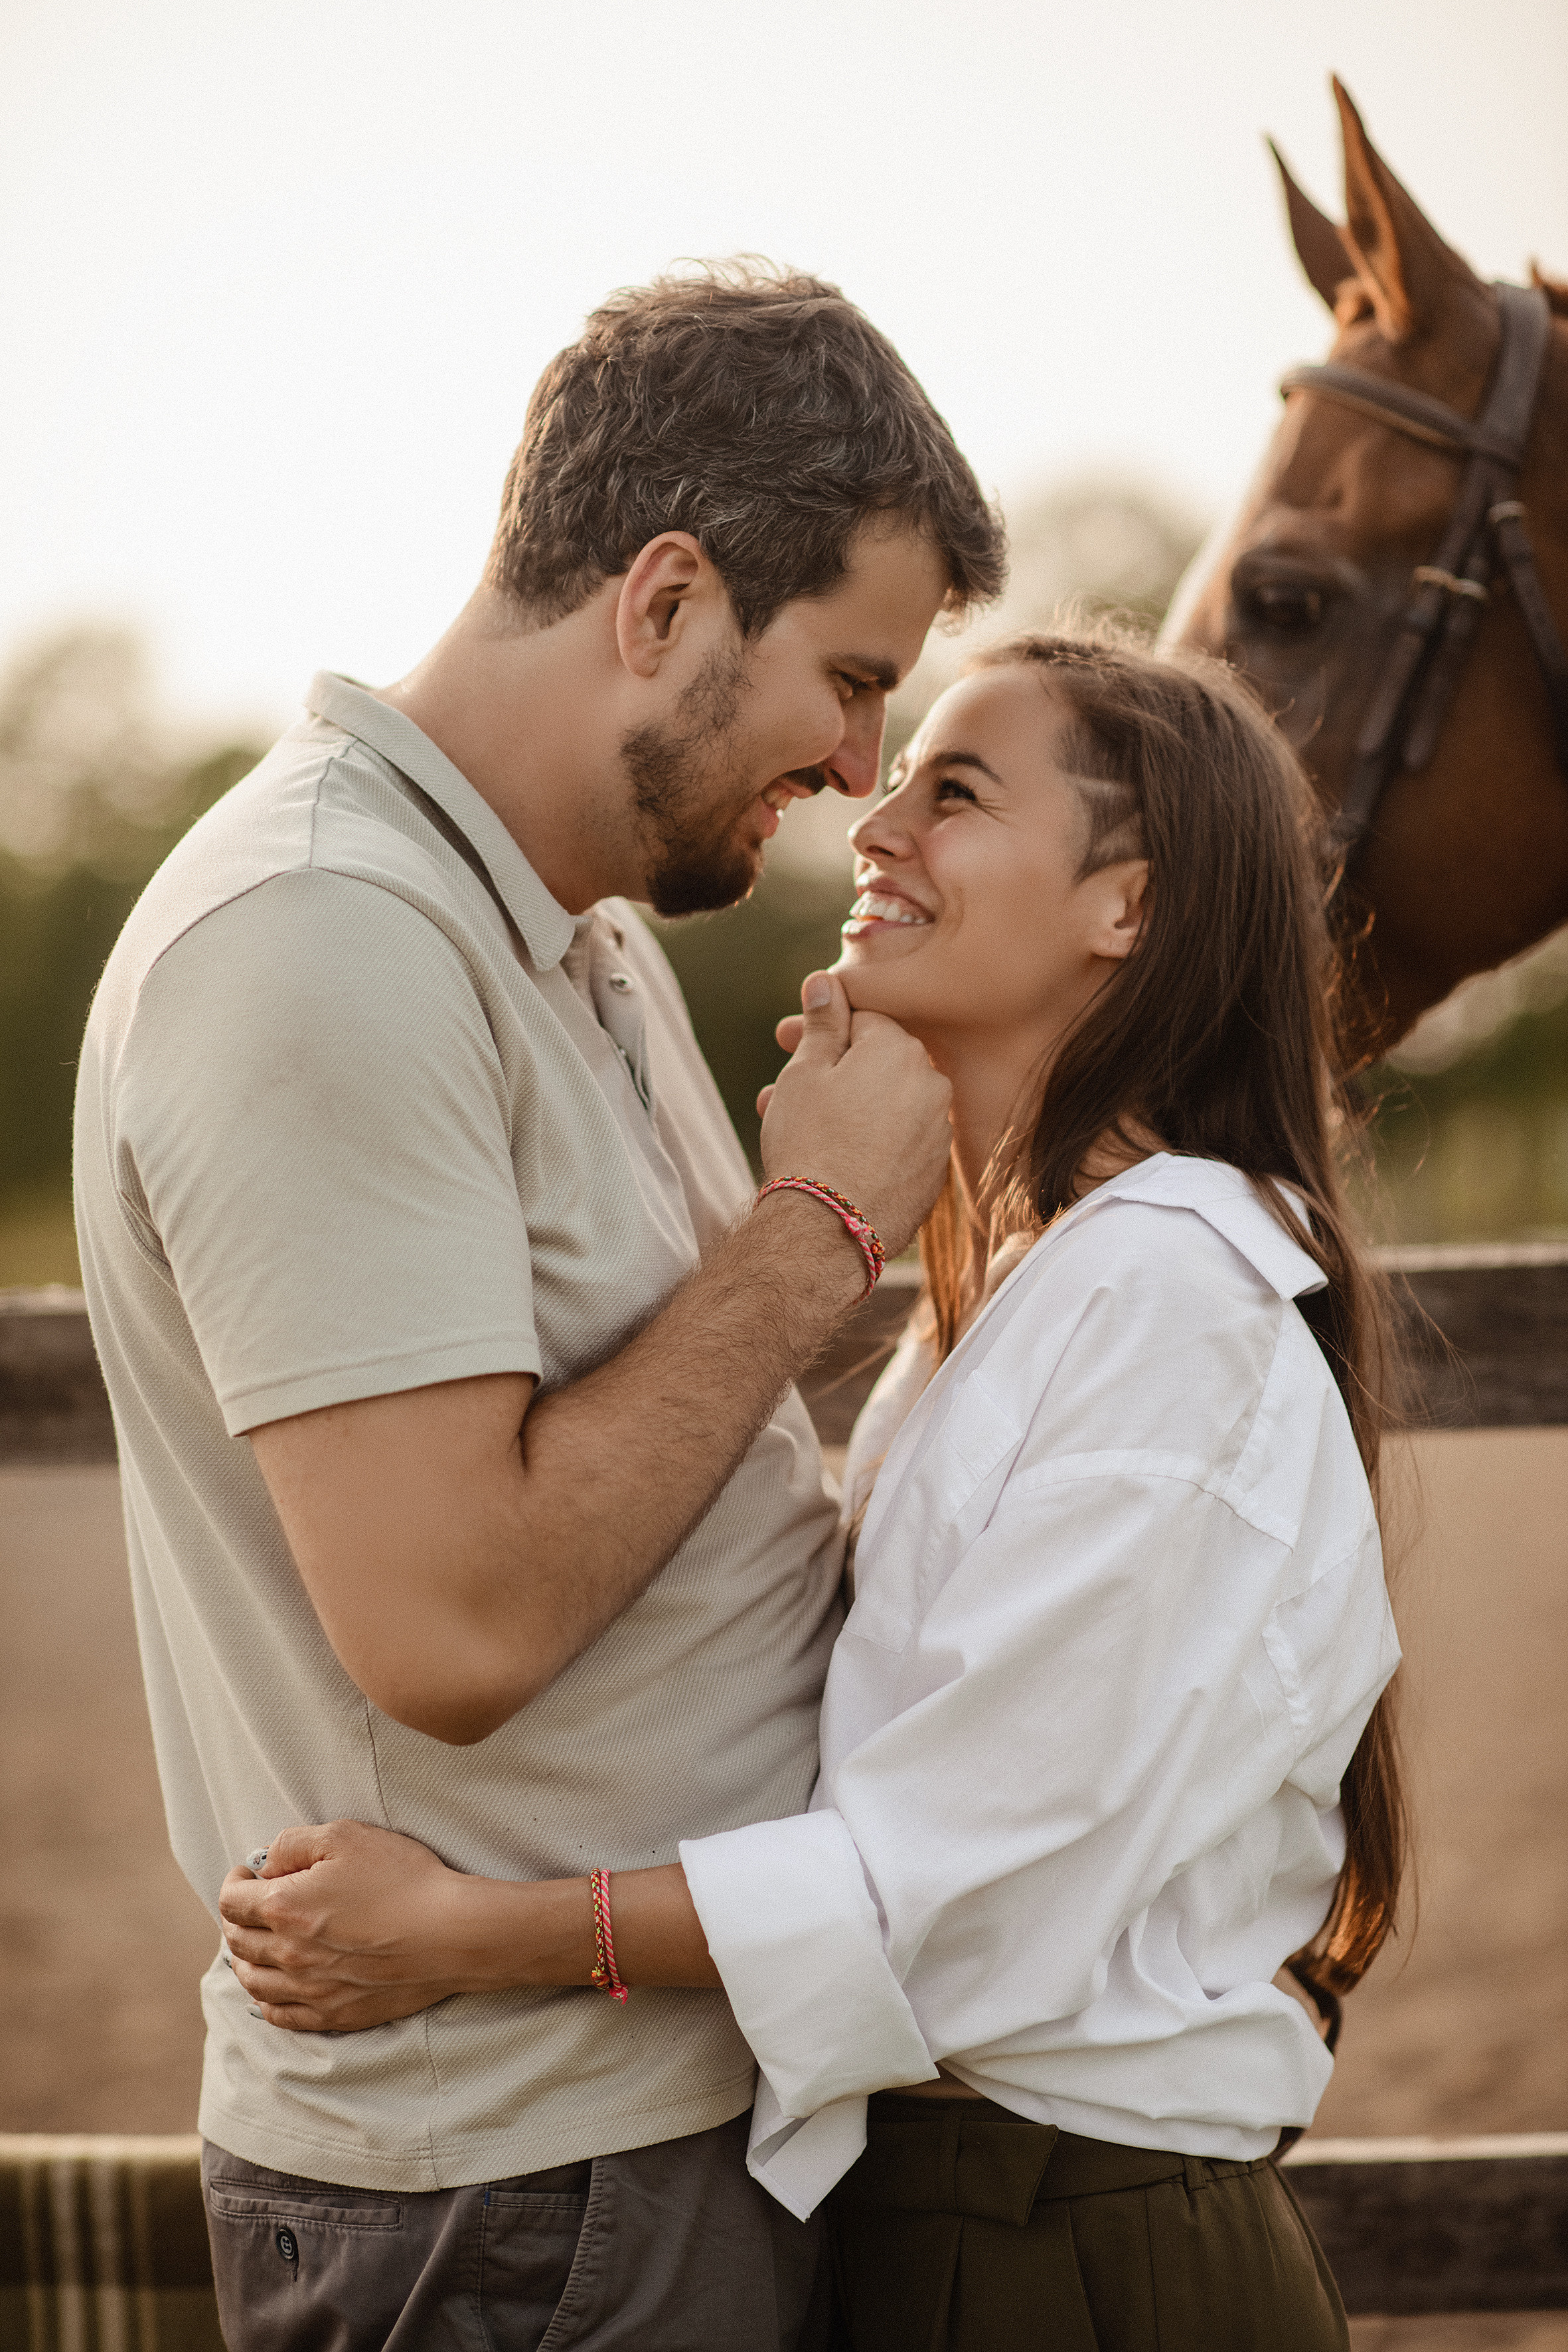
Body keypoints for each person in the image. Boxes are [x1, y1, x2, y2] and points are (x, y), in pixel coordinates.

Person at [222, 630, 1407, 2351]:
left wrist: (464, 1934)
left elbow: (936, 1875)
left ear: (1125, 910)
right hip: (960, 2205)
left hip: (1071, 2251)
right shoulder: (1032, 1285)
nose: (871, 821)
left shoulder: (1168, 1306)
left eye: (957, 789)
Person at [73, 260, 1006, 2352]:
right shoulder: (324, 941)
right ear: (665, 602)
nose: (865, 769)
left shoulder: (557, 932)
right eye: (847, 680)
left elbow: (664, 1438)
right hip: (514, 2196)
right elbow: (455, 1625)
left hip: (645, 2129)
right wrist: (813, 1239)